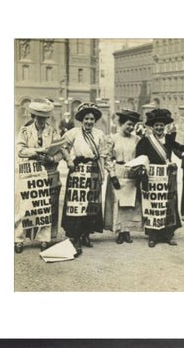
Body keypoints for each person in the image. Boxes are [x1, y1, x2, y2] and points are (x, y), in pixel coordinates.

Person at [60, 103, 113, 257]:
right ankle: (75, 235)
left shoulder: (100, 134)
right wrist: (69, 160)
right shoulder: (73, 133)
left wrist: (104, 171)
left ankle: (85, 234)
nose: (89, 121)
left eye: (92, 119)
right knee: (76, 203)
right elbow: (62, 147)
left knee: (91, 204)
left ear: (95, 120)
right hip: (77, 171)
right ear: (81, 120)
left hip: (93, 171)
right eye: (86, 119)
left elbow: (104, 153)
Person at [15, 101, 65, 253]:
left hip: (47, 172)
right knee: (25, 206)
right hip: (29, 172)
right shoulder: (25, 131)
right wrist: (37, 151)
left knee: (45, 206)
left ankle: (44, 238)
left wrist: (51, 159)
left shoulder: (53, 132)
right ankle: (18, 238)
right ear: (34, 116)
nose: (42, 120)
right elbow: (20, 150)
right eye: (39, 117)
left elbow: (61, 152)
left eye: (45, 118)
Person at [135, 109, 183, 247]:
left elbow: (181, 149)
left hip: (166, 178)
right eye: (156, 125)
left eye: (161, 125)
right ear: (152, 127)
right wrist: (143, 172)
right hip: (152, 178)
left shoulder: (170, 139)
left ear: (165, 126)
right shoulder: (145, 141)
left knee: (168, 205)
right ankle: (152, 235)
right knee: (152, 206)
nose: (159, 128)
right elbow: (140, 158)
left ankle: (168, 235)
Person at [104, 110, 144, 243]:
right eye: (128, 124)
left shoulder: (137, 139)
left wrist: (139, 171)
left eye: (133, 125)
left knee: (130, 203)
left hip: (132, 172)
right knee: (118, 202)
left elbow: (141, 157)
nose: (131, 128)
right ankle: (119, 231)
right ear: (121, 123)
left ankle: (127, 231)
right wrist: (112, 174)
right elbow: (108, 158)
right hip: (118, 171)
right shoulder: (113, 138)